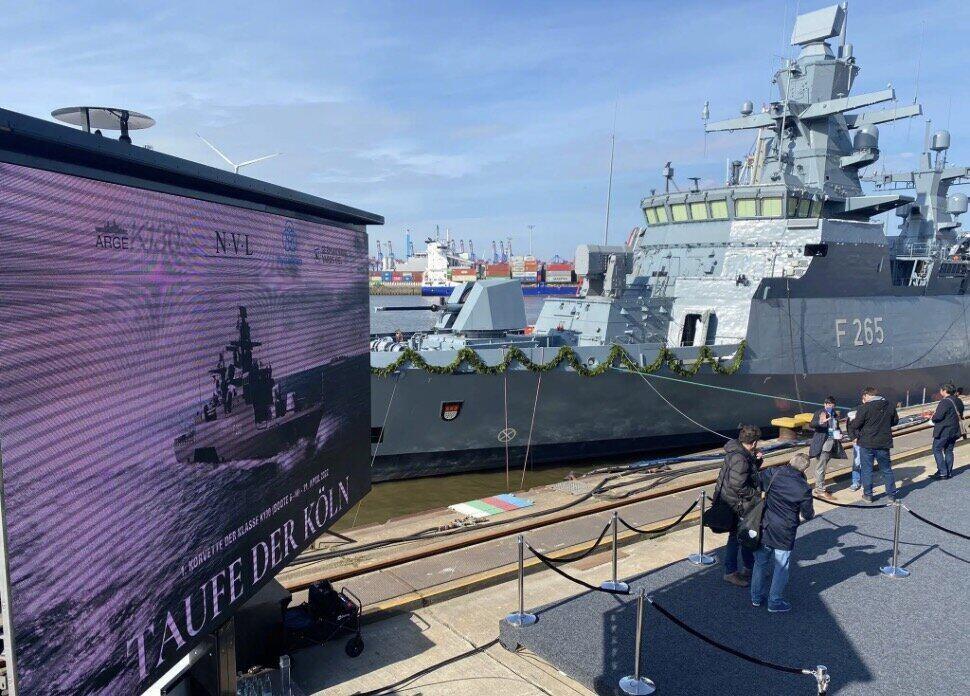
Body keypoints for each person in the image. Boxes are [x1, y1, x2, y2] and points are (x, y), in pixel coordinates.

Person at [750, 453, 814, 613]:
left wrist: (757, 461)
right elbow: (808, 514)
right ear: (805, 469)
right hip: (786, 530)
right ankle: (774, 601)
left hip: (766, 524)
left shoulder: (773, 473)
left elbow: (755, 479)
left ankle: (756, 597)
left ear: (790, 461)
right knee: (781, 567)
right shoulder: (804, 488)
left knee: (760, 563)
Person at [714, 425, 763, 587]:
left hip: (732, 500)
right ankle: (731, 572)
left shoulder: (738, 452)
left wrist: (756, 460)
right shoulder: (740, 458)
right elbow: (739, 485)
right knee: (738, 537)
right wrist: (757, 495)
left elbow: (744, 474)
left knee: (744, 535)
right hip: (737, 504)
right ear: (754, 442)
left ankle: (748, 568)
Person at [850, 387, 900, 502]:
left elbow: (856, 425)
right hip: (883, 443)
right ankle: (891, 495)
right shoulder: (889, 405)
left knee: (867, 470)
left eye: (864, 397)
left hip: (867, 443)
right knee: (886, 469)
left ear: (867, 395)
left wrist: (853, 421)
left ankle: (868, 495)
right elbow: (895, 421)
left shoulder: (864, 407)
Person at [808, 396, 846, 499]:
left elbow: (836, 426)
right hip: (822, 444)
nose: (830, 408)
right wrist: (821, 422)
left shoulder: (834, 413)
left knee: (822, 466)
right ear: (825, 404)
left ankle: (819, 487)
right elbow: (812, 424)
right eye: (829, 405)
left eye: (832, 406)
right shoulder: (820, 413)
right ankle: (820, 490)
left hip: (832, 443)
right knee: (821, 467)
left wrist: (840, 434)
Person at [929, 383, 965, 480]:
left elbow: (938, 417)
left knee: (936, 449)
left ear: (945, 391)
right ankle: (948, 471)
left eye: (941, 390)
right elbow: (960, 412)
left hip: (944, 431)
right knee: (949, 450)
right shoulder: (958, 400)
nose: (940, 391)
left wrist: (932, 417)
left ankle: (942, 472)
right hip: (955, 430)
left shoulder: (944, 402)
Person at [845, 409, 863, 491]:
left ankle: (865, 482)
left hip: (867, 441)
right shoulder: (851, 416)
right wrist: (853, 438)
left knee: (865, 463)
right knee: (856, 462)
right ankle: (855, 482)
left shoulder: (866, 413)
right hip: (857, 442)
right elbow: (849, 428)